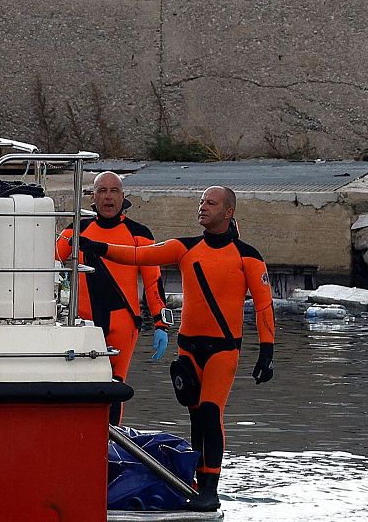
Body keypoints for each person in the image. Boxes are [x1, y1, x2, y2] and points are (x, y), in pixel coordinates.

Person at [80, 186, 274, 511]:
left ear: (228, 212)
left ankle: (210, 491)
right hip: (188, 349)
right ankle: (197, 483)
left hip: (223, 349)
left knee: (212, 412)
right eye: (201, 202)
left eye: (210, 203)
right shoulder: (185, 248)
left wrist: (266, 351)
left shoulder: (248, 256)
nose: (203, 208)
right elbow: (138, 255)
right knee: (196, 418)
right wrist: (95, 246)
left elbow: (265, 306)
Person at [55, 170, 172, 424]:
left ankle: (111, 444)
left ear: (123, 196)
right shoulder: (76, 229)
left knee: (115, 385)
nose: (108, 197)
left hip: (123, 321)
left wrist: (160, 324)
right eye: (102, 191)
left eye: (114, 191)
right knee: (81, 385)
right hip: (83, 321)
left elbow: (153, 282)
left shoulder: (139, 234)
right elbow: (49, 263)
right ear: (93, 198)